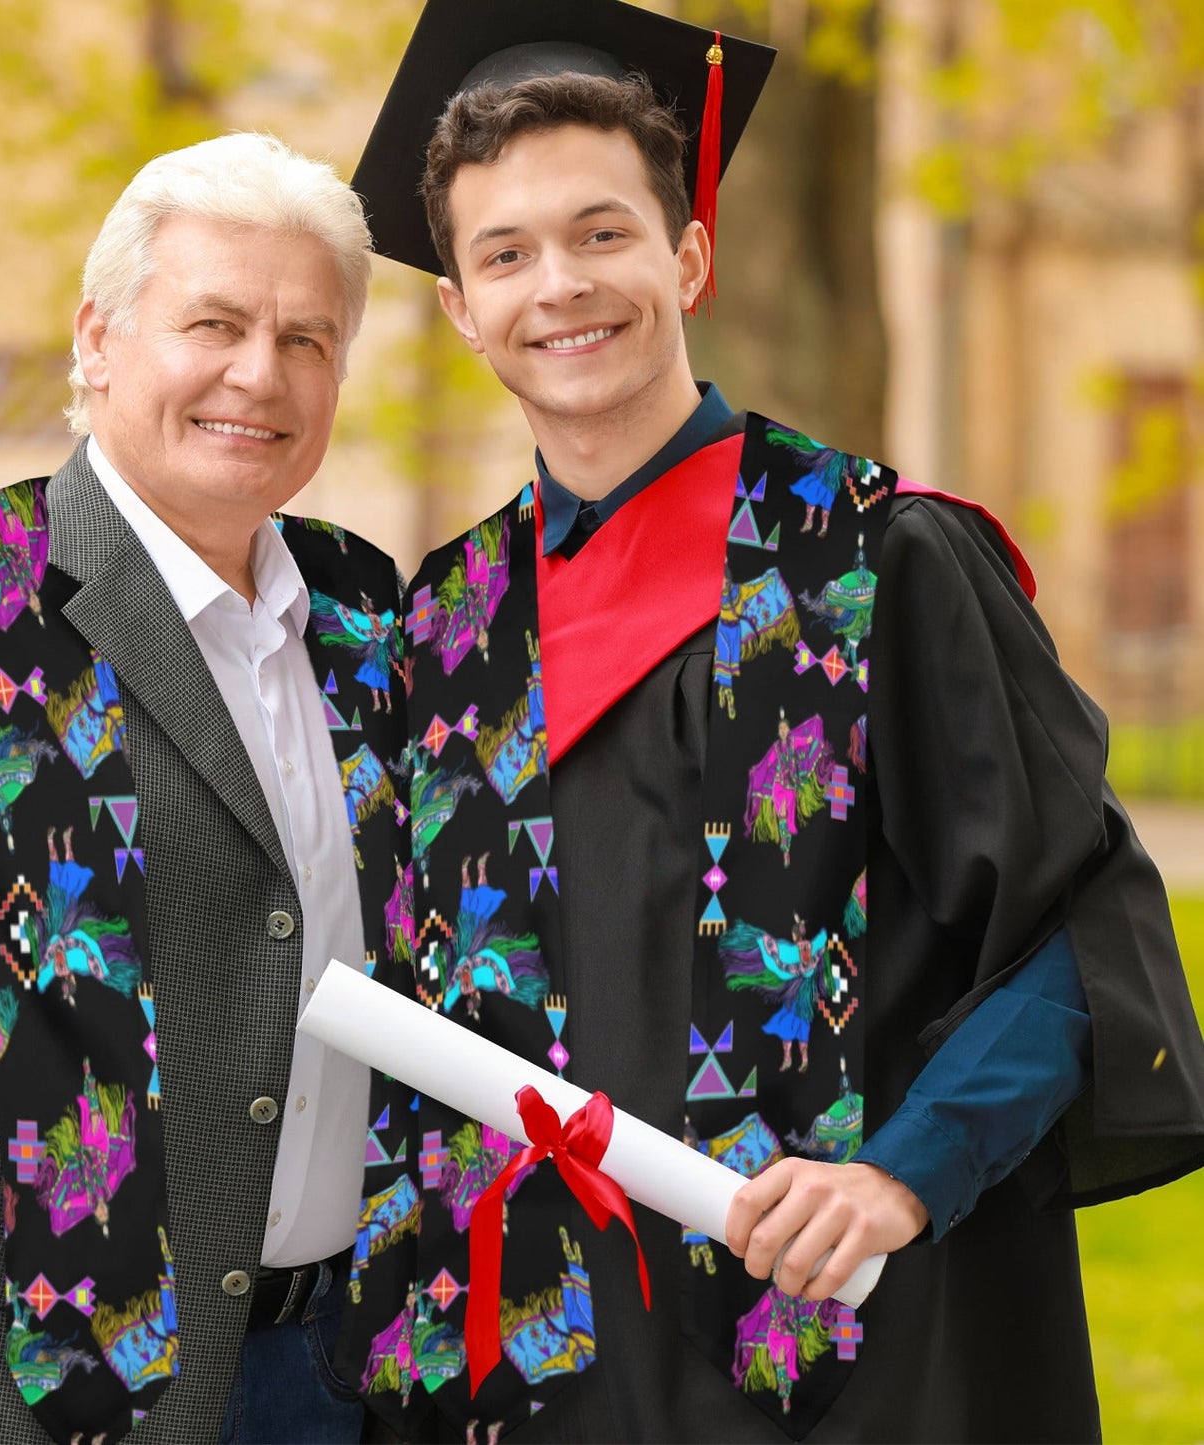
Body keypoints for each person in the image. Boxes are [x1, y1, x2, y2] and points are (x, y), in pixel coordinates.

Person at [336, 2, 1204, 1440]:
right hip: (541, 1367)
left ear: (687, 253)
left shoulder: (880, 561)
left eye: (601, 232)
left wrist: (903, 1172)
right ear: (458, 307)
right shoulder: (443, 620)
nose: (559, 285)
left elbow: (1079, 930)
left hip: (846, 1348)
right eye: (504, 254)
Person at [0, 132, 408, 1445]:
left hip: (339, 1383)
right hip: (27, 1399)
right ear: (98, 339)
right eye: (213, 321)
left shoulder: (363, 605)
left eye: (305, 338)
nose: (257, 373)